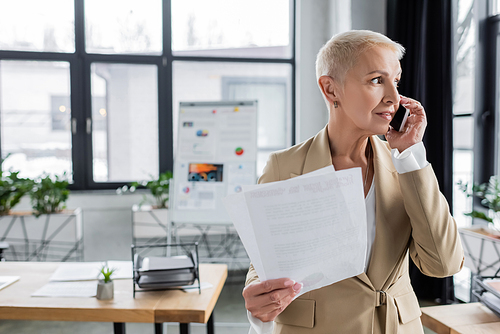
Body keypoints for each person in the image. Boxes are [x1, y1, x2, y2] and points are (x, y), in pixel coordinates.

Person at [242, 30, 464, 334]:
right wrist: (260, 296)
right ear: (331, 89)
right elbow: (264, 263)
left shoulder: (406, 166)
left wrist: (410, 155)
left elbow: (444, 264)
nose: (394, 98)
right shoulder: (285, 166)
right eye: (376, 80)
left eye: (396, 81)